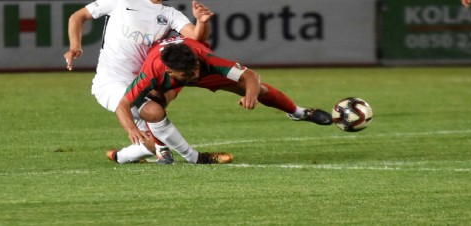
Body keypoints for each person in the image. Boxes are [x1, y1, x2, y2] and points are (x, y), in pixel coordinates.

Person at [64, 0, 232, 164]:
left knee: (153, 143)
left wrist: (202, 22)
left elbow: (195, 38)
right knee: (154, 112)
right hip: (110, 81)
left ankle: (120, 157)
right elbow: (77, 16)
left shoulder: (169, 14)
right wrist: (75, 46)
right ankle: (197, 158)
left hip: (141, 82)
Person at [110, 36, 333, 164]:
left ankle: (298, 112)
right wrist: (131, 128)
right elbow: (123, 105)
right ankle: (163, 150)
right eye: (188, 75)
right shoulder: (151, 74)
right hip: (165, 84)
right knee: (153, 108)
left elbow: (250, 76)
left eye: (195, 69)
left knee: (261, 90)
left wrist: (250, 94)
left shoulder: (204, 61)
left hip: (201, 74)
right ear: (169, 71)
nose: (194, 76)